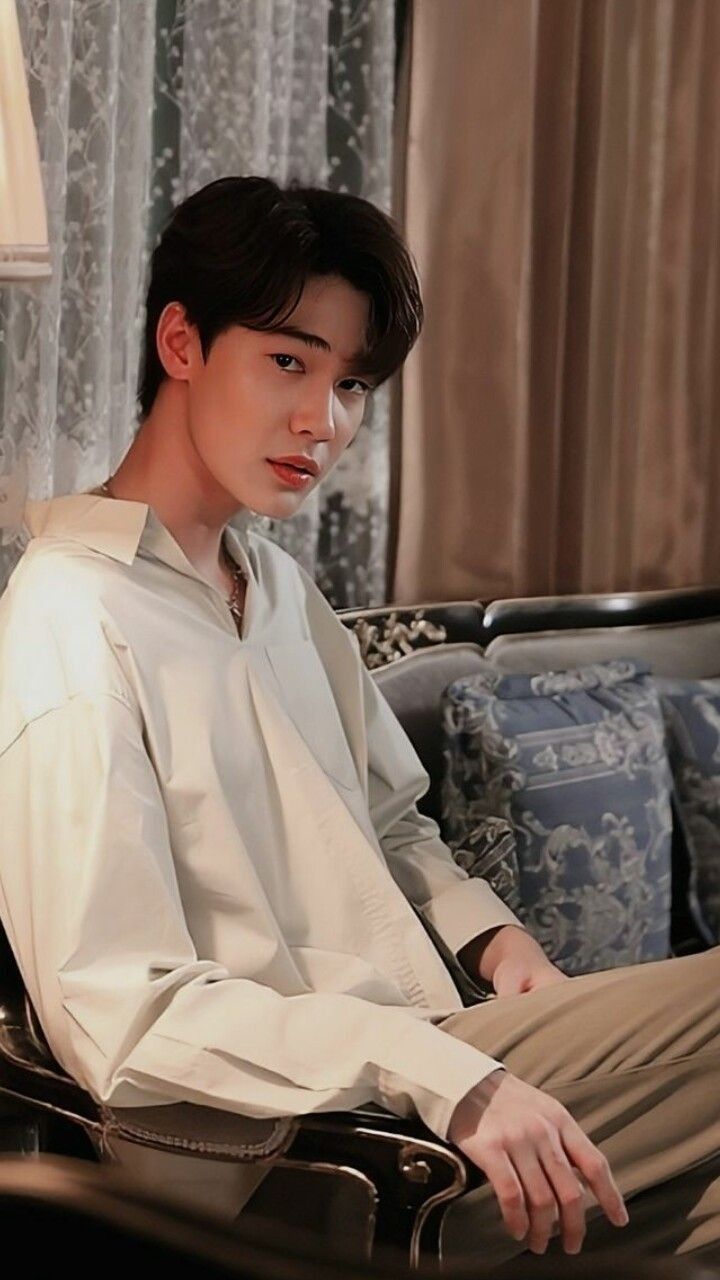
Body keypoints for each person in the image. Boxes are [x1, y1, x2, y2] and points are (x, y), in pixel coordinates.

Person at [0, 175, 718, 1272]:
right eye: (289, 361)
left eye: (353, 384)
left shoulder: (279, 590)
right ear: (181, 341)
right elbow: (121, 1009)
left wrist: (496, 938)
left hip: (427, 1069)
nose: (322, 422)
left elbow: (390, 822)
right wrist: (439, 1073)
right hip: (285, 1159)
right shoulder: (69, 613)